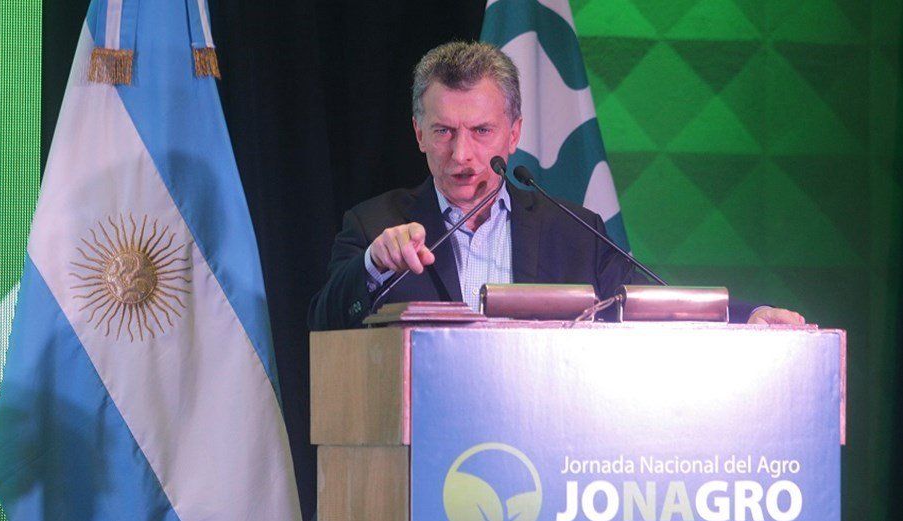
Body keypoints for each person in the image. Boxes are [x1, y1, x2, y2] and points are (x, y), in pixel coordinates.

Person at [308, 41, 804, 331]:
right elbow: (323, 323)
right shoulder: (374, 225)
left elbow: (649, 302)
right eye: (443, 132)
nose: (461, 155)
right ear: (418, 133)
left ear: (514, 133)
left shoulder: (574, 231)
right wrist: (373, 264)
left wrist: (748, 316)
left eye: (481, 131)